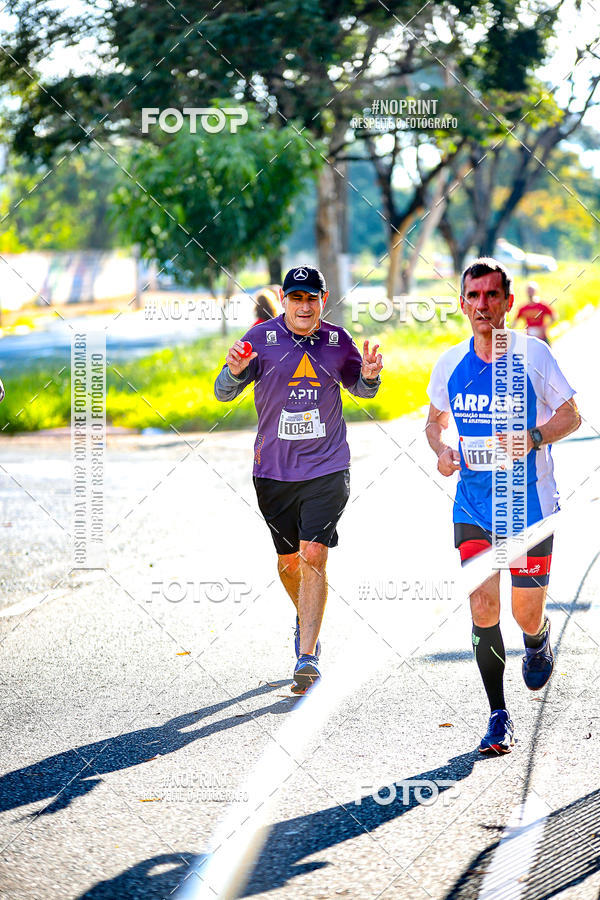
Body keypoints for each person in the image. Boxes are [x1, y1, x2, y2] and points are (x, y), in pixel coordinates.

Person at [426, 258, 580, 754]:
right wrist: (442, 451)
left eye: (492, 295)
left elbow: (572, 416)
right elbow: (433, 421)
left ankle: (537, 638)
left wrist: (532, 437)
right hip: (472, 506)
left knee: (524, 612)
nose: (483, 305)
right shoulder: (450, 364)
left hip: (529, 506)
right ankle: (498, 714)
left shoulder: (534, 355)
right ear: (462, 303)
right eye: (473, 296)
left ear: (508, 302)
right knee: (483, 605)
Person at [214, 264, 383, 694]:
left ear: (323, 300)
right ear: (284, 300)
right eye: (296, 298)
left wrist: (369, 376)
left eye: (311, 298)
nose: (304, 306)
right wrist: (233, 371)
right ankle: (307, 618)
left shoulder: (337, 341)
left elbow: (362, 390)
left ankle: (307, 656)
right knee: (289, 562)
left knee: (313, 555)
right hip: (273, 470)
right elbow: (222, 392)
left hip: (327, 467)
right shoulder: (260, 339)